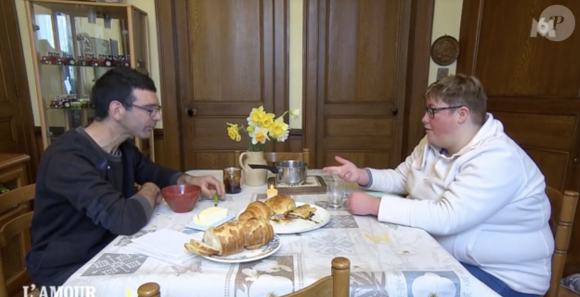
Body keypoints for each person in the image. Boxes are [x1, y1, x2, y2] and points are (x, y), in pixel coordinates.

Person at [323, 74, 553, 297]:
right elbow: (403, 178)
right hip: (440, 253)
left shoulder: (498, 158)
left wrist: (376, 205)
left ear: (461, 114)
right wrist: (361, 175)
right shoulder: (433, 142)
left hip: (499, 276)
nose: (424, 118)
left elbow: (448, 216)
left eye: (432, 111)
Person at [25, 68, 224, 287]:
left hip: (108, 248)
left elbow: (154, 172)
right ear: (117, 109)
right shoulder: (67, 158)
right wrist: (150, 189)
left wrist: (188, 180)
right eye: (150, 110)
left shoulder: (123, 148)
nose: (157, 117)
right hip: (66, 271)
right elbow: (124, 219)